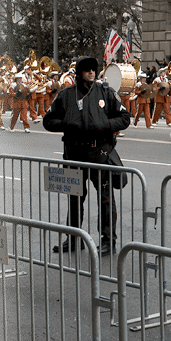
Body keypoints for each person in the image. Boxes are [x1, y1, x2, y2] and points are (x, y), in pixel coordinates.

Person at [43, 56, 131, 255]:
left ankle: (109, 240)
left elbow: (125, 117)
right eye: (87, 69)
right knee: (74, 198)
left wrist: (105, 125)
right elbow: (48, 120)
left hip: (99, 153)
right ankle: (73, 239)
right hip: (74, 154)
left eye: (94, 69)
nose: (92, 72)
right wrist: (67, 123)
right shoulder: (66, 95)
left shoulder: (106, 92)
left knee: (106, 199)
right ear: (79, 72)